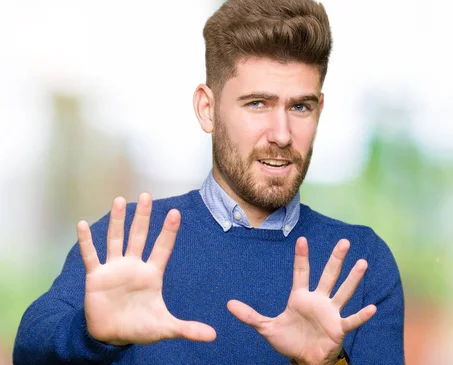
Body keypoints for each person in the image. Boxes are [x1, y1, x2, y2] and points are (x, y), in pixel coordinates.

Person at [13, 0, 405, 364]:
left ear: (319, 111)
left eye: (300, 107)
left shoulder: (360, 264)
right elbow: (28, 349)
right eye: (257, 104)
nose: (282, 134)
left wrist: (326, 362)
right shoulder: (128, 243)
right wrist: (92, 336)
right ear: (207, 109)